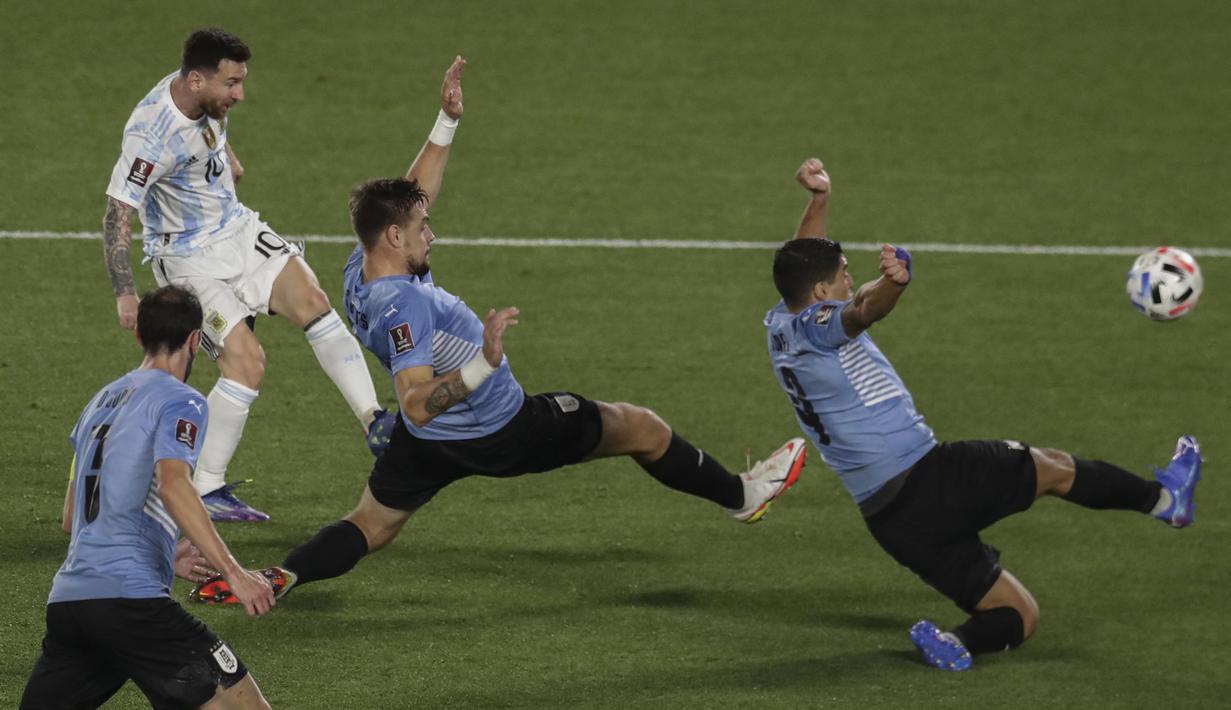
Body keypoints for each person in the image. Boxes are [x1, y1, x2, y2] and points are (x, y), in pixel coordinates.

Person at [190, 58, 807, 605]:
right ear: (397, 239)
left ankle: (279, 578)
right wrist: (482, 365)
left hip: (426, 447)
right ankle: (740, 496)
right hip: (500, 429)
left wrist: (446, 122)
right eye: (423, 228)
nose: (433, 233)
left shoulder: (361, 267)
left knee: (372, 525)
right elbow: (416, 403)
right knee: (638, 427)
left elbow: (413, 196)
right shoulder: (406, 305)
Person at [763, 157, 1204, 671]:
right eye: (842, 275)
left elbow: (807, 266)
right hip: (926, 477)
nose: (849, 276)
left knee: (1018, 613)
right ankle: (1166, 499)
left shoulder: (781, 321)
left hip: (889, 518)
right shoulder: (822, 324)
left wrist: (819, 200)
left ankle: (959, 644)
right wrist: (896, 284)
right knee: (1052, 468)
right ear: (820, 294)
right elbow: (862, 310)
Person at [102, 27, 394, 522]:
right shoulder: (149, 136)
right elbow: (116, 214)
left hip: (236, 230)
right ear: (197, 80)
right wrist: (126, 294)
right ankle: (206, 487)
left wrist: (228, 160)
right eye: (232, 84)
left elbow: (207, 138)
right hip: (187, 257)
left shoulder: (201, 100)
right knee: (246, 363)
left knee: (313, 300)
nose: (240, 94)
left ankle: (375, 421)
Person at [20, 285, 279, 709]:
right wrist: (233, 572)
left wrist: (162, 553)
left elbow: (72, 516)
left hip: (71, 604)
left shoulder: (97, 403)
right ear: (196, 340)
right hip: (130, 603)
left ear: (140, 336)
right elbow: (173, 484)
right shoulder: (183, 401)